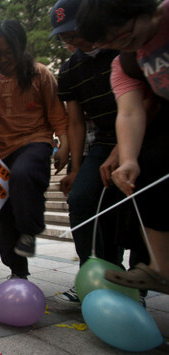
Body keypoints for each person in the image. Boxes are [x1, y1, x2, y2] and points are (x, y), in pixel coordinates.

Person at [49, 0, 145, 307]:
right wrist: (76, 168)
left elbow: (141, 102)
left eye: (76, 31)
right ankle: (92, 273)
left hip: (144, 134)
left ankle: (135, 284)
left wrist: (123, 149)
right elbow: (76, 122)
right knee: (80, 199)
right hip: (103, 142)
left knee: (132, 207)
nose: (73, 40)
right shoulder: (70, 69)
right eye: (65, 36)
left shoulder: (122, 48)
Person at [77, 0, 169, 294]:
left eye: (123, 34)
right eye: (112, 41)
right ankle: (161, 269)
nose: (122, 44)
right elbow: (129, 112)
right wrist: (128, 159)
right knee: (148, 163)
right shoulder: (125, 63)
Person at [0, 20, 68, 278]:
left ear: (20, 48)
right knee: (3, 214)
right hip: (0, 151)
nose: (3, 59)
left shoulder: (40, 74)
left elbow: (58, 115)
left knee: (22, 174)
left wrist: (64, 145)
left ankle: (29, 231)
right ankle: (17, 271)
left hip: (35, 141)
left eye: (8, 52)